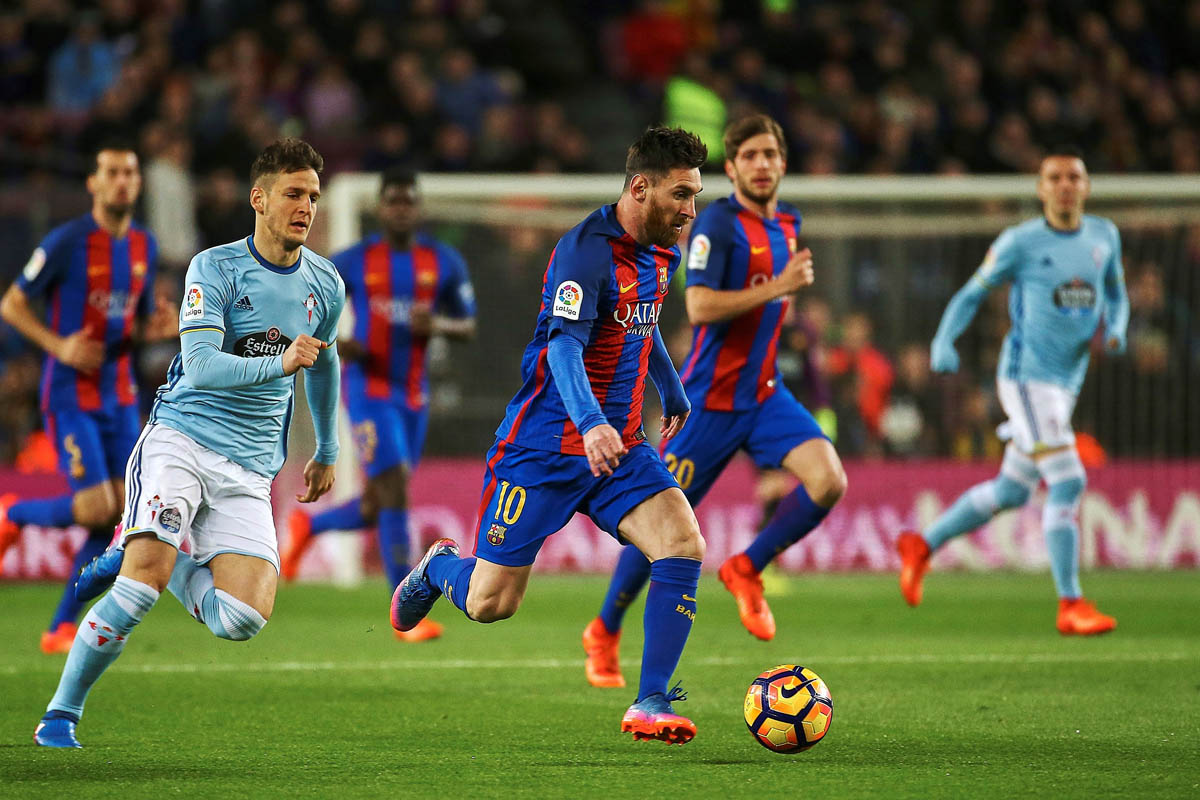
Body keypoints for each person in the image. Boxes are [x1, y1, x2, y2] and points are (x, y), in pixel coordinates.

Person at [390, 127, 708, 744]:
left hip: (619, 448)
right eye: (681, 194)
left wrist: (670, 386)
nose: (691, 208)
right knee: (491, 603)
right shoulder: (583, 253)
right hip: (542, 449)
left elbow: (641, 323)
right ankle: (436, 569)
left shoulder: (661, 248)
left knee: (682, 543)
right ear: (639, 188)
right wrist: (589, 424)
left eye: (695, 194)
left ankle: (649, 701)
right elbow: (564, 346)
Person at [33, 138, 346, 748]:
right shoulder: (215, 268)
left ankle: (145, 551)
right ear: (259, 199)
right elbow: (200, 365)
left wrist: (328, 447)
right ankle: (61, 714)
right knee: (137, 589)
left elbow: (325, 362)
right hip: (182, 438)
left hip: (252, 467)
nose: (305, 205)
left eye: (312, 195)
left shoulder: (325, 284)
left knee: (244, 619)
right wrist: (281, 363)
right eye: (292, 193)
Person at [582, 115, 848, 689]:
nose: (761, 164)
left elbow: (778, 313)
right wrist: (780, 287)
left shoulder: (788, 222)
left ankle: (747, 567)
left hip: (766, 393)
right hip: (709, 402)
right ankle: (604, 628)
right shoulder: (716, 226)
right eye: (749, 155)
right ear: (731, 168)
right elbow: (699, 306)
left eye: (770, 154)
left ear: (782, 163)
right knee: (658, 531)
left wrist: (788, 313)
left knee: (829, 480)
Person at [896, 146, 1129, 636]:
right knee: (1068, 482)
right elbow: (972, 293)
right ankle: (1071, 604)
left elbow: (1116, 292)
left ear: (1085, 186)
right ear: (1041, 188)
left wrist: (1119, 326)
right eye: (1055, 177)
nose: (1065, 185)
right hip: (1026, 378)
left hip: (1066, 384)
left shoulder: (1104, 236)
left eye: (1074, 176)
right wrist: (943, 338)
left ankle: (923, 543)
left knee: (1010, 491)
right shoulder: (1019, 242)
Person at [279, 168, 476, 644]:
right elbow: (302, 292)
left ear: (418, 207)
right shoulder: (356, 260)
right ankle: (404, 608)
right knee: (395, 489)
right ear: (381, 208)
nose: (401, 209)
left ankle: (310, 523)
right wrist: (337, 340)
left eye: (409, 201)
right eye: (393, 201)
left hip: (413, 394)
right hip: (368, 389)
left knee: (378, 501)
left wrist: (441, 326)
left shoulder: (443, 262)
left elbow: (467, 325)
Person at [0, 141, 174, 654]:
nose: (122, 181)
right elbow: (11, 304)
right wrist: (59, 345)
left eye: (130, 172)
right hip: (69, 395)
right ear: (93, 184)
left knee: (123, 515)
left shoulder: (144, 245)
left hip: (119, 398)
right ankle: (13, 514)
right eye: (112, 173)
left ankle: (60, 625)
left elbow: (133, 326)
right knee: (97, 506)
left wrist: (155, 329)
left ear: (138, 183)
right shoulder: (66, 242)